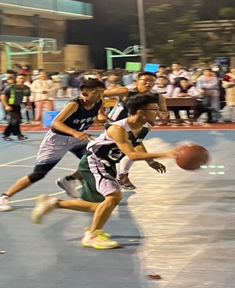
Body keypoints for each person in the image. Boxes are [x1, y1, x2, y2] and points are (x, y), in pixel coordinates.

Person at [30, 94, 182, 249]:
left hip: (108, 163)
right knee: (114, 197)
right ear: (141, 112)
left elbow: (137, 143)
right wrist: (167, 154)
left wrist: (151, 161)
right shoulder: (118, 129)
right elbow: (132, 155)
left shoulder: (145, 126)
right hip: (94, 161)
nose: (159, 113)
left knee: (100, 206)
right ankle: (92, 235)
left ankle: (54, 203)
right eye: (154, 110)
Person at [0, 78, 107, 212]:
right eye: (96, 92)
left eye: (101, 92)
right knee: (38, 174)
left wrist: (107, 119)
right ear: (85, 94)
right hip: (57, 140)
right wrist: (74, 132)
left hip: (77, 138)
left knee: (97, 159)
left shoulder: (100, 102)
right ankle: (3, 196)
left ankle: (69, 179)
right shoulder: (74, 105)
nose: (100, 95)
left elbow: (100, 116)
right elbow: (56, 122)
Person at [103, 72, 168, 190]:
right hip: (117, 124)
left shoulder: (158, 96)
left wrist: (162, 114)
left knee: (132, 147)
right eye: (145, 80)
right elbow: (100, 94)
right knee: (128, 149)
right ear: (137, 81)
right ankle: (120, 175)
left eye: (152, 81)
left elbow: (164, 111)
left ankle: (122, 175)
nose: (148, 83)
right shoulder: (126, 91)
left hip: (137, 124)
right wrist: (100, 112)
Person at [0, 74, 31, 141]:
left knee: (17, 120)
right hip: (9, 105)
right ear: (16, 79)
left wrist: (27, 105)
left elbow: (27, 98)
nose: (21, 80)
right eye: (20, 78)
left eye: (23, 78)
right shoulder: (10, 87)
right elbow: (2, 96)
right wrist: (6, 106)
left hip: (17, 105)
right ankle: (6, 134)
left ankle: (18, 135)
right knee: (15, 120)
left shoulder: (26, 88)